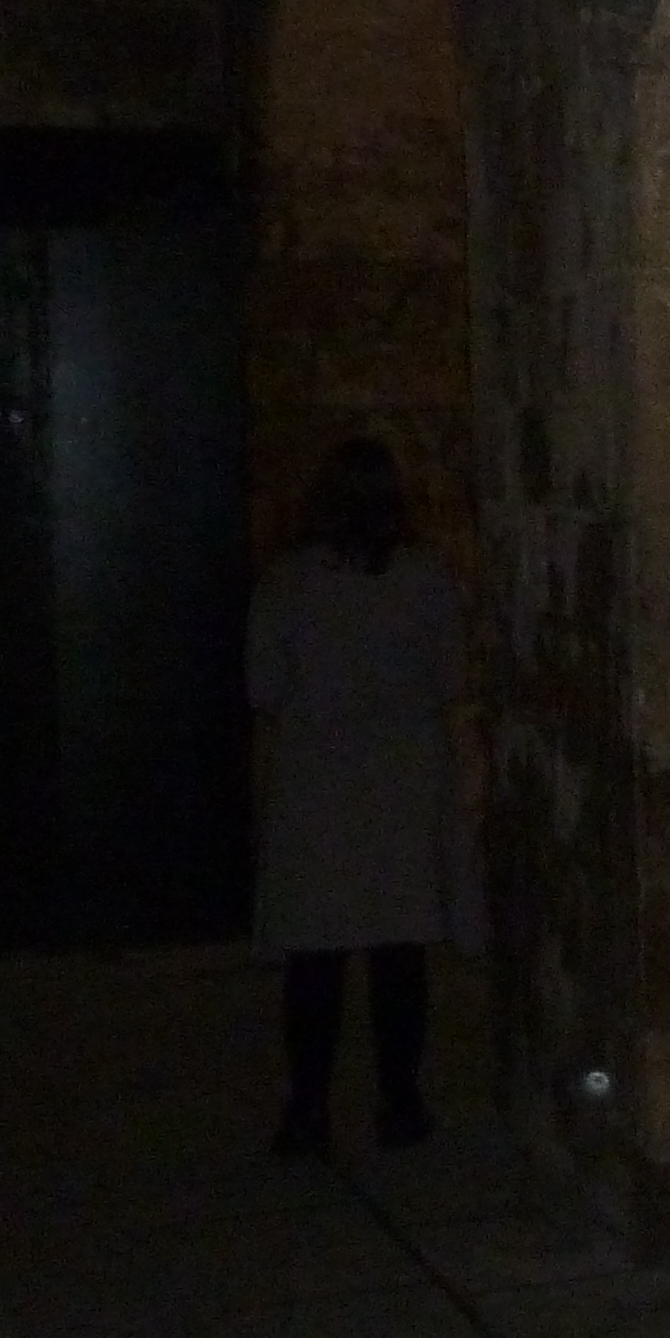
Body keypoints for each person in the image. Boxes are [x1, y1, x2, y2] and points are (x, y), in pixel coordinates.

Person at [249, 437, 465, 1156]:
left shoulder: (288, 584)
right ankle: (400, 1101)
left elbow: (263, 687)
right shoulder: (425, 580)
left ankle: (309, 1107)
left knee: (317, 958)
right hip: (401, 779)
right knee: (398, 955)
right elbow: (449, 679)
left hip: (319, 785)